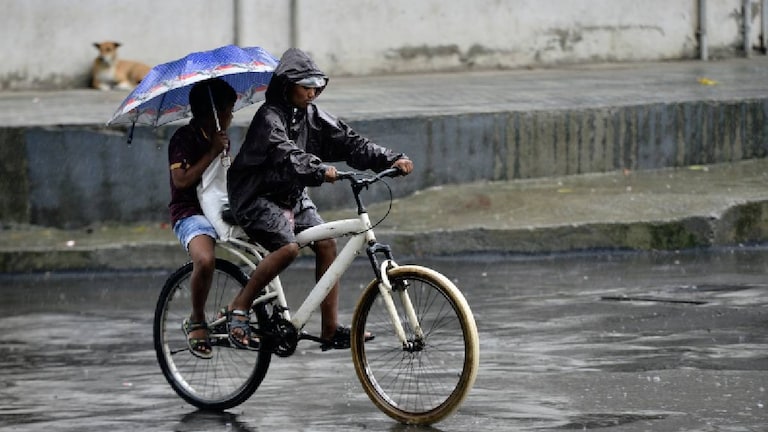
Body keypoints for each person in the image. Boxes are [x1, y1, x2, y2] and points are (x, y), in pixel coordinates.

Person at [226, 48, 414, 351]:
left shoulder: (311, 116)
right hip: (256, 196)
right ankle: (239, 306)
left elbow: (351, 142)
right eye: (306, 86)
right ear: (287, 86)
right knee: (288, 248)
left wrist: (391, 159)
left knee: (328, 244)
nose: (312, 93)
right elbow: (285, 153)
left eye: (316, 86)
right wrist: (318, 169)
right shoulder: (268, 118)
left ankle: (330, 330)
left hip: (291, 195)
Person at [168, 78, 236, 359]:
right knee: (205, 259)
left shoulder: (220, 140)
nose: (231, 117)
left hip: (219, 208)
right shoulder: (183, 139)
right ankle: (197, 320)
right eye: (229, 111)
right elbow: (181, 180)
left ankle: (237, 309)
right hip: (190, 213)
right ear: (214, 114)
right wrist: (211, 153)